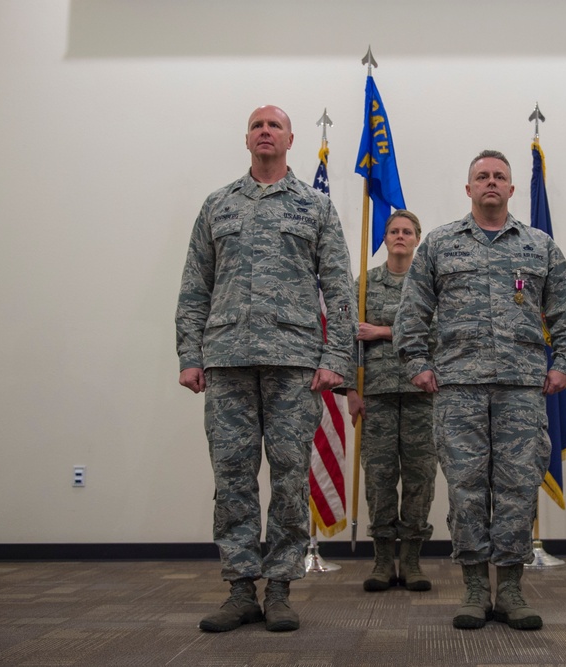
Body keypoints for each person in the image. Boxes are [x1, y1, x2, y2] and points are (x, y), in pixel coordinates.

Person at [176, 105, 355, 633]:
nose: (265, 132)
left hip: (294, 363)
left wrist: (335, 359)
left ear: (291, 139)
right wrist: (190, 354)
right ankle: (239, 590)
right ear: (246, 139)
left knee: (290, 478)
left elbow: (339, 290)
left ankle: (279, 588)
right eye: (257, 125)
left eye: (274, 125)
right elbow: (194, 287)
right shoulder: (217, 206)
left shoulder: (314, 207)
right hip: (227, 360)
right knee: (231, 478)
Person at [393, 150, 566, 631]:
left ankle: (513, 589)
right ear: (468, 188)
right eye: (482, 176)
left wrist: (563, 365)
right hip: (458, 388)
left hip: (522, 388)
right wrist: (417, 364)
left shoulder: (540, 247)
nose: (491, 183)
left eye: (500, 176)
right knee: (466, 490)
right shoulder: (439, 244)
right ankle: (477, 589)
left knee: (518, 488)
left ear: (513, 188)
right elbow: (411, 314)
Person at [345, 210, 438, 593]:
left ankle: (412, 561)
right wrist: (351, 391)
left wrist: (383, 331)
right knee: (380, 480)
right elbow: (348, 337)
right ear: (384, 238)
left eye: (407, 232)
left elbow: (440, 334)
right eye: (394, 231)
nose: (400, 237)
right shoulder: (363, 285)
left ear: (418, 238)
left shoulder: (431, 284)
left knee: (420, 479)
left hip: (422, 393)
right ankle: (383, 560)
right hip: (377, 395)